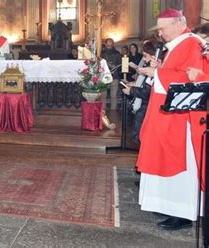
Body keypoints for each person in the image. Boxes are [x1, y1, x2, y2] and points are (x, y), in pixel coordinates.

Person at [136, 8, 205, 230]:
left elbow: (192, 78)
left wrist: (156, 74)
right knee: (163, 159)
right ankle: (169, 206)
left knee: (179, 163)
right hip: (166, 115)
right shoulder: (178, 45)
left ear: (178, 24)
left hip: (179, 119)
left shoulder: (191, 44)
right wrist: (160, 69)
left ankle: (183, 211)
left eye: (163, 29)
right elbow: (177, 71)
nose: (161, 33)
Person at [121, 40, 156, 145]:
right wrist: (133, 84)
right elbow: (143, 84)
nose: (144, 59)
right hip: (143, 107)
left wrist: (131, 90)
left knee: (141, 136)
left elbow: (147, 92)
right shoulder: (149, 67)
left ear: (153, 56)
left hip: (146, 107)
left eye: (145, 56)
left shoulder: (153, 69)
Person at [100, 38, 122, 110]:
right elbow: (99, 64)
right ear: (105, 44)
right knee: (103, 95)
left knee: (114, 95)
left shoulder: (117, 53)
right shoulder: (101, 53)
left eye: (111, 42)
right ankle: (102, 111)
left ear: (113, 43)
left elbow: (120, 64)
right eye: (108, 42)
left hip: (114, 75)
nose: (110, 43)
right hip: (104, 76)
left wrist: (115, 67)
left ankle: (113, 111)